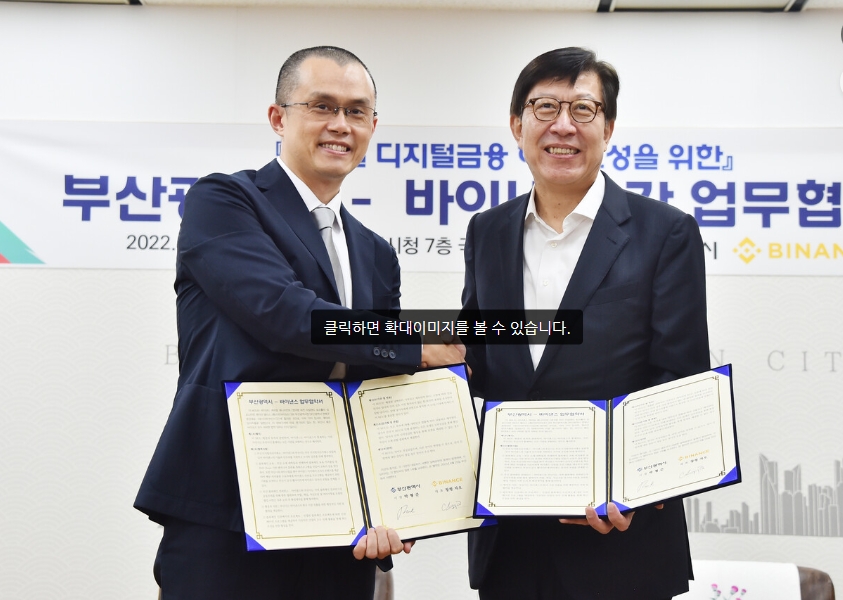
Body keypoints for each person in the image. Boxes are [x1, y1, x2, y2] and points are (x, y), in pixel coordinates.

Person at [135, 46, 464, 600]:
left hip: (341, 520)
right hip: (227, 507)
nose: (341, 125)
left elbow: (376, 385)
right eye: (322, 106)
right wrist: (417, 343)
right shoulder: (225, 200)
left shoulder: (376, 252)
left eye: (357, 111)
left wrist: (395, 502)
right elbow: (283, 315)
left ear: (373, 126)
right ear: (278, 117)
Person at [463, 47, 710, 600]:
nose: (563, 126)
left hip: (620, 542)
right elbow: (480, 355)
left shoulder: (664, 232)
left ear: (609, 127)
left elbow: (679, 380)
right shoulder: (487, 231)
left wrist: (633, 486)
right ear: (517, 125)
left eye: (582, 109)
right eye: (545, 107)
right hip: (509, 544)